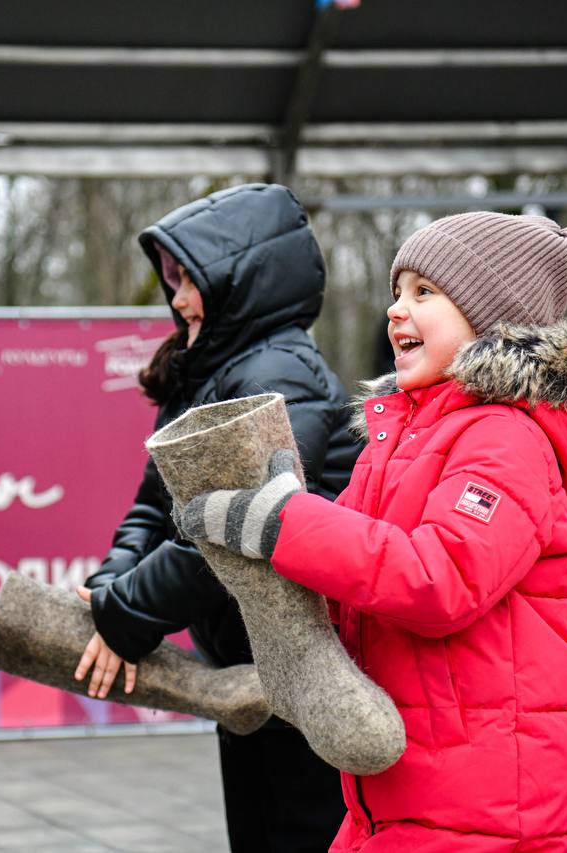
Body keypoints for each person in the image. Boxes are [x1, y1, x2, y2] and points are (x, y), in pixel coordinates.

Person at [180, 211, 567, 851]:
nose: (395, 310)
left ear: (492, 319)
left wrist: (284, 521)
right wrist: (263, 528)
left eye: (424, 292)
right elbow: (346, 578)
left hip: (486, 810)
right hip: (396, 793)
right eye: (396, 292)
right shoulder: (396, 441)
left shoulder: (506, 439)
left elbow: (436, 579)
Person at [75, 183, 359, 852]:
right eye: (170, 277)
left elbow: (231, 537)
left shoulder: (282, 374)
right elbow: (154, 505)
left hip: (313, 679)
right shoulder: (207, 373)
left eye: (187, 277)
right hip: (253, 682)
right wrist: (111, 579)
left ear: (241, 278)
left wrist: (123, 617)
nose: (175, 298)